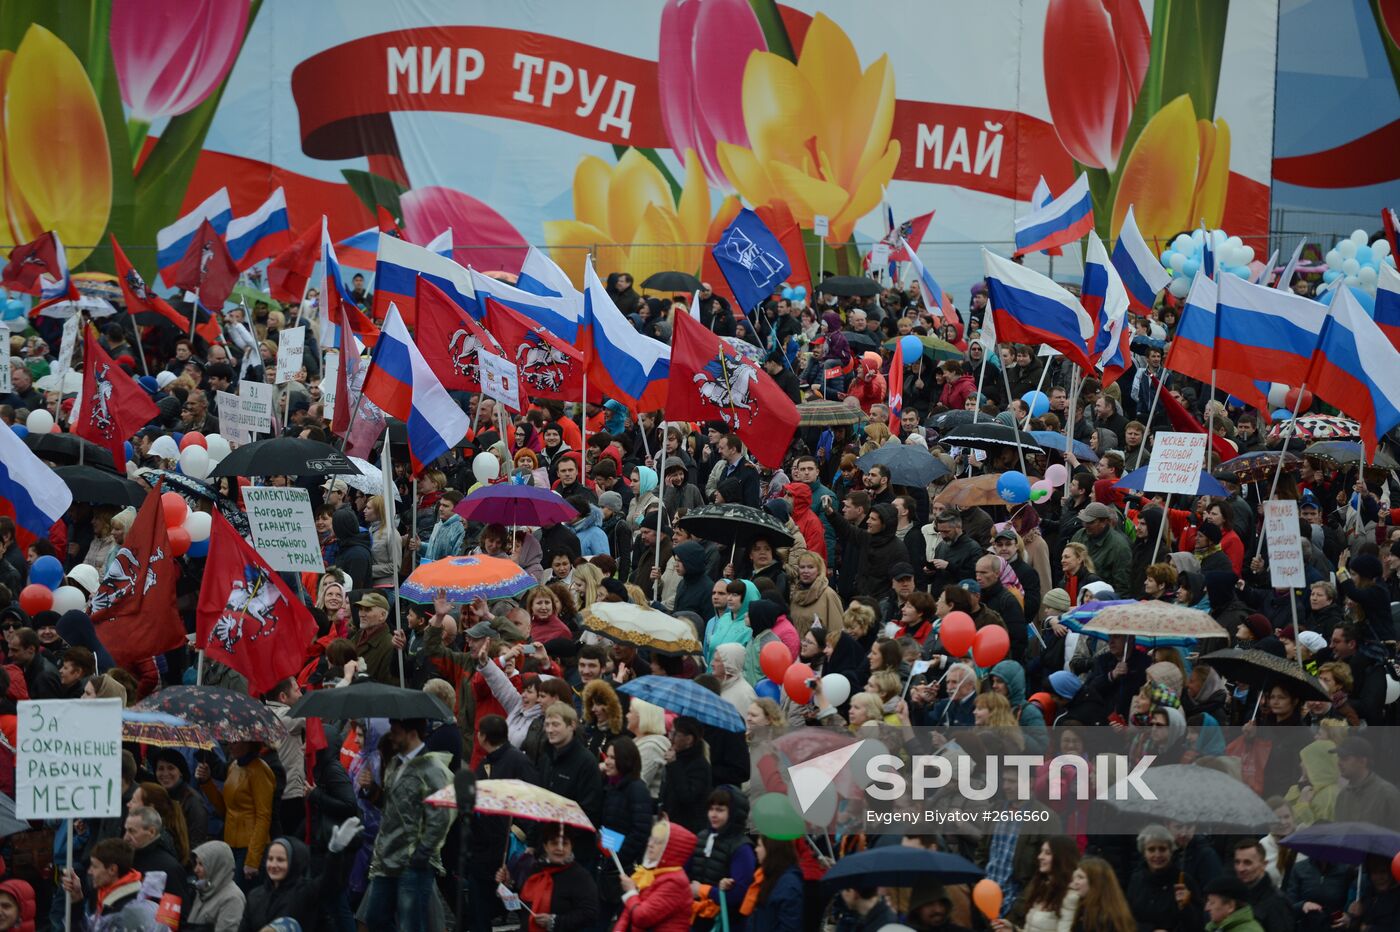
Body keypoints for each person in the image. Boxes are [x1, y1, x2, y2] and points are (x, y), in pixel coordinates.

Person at [363, 718, 455, 929]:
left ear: (412, 733)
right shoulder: (396, 762)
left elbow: (442, 815)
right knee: (375, 918)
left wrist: (422, 852)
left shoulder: (433, 768)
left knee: (410, 924)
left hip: (413, 862)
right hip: (388, 858)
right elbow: (391, 805)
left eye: (396, 732)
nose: (391, 737)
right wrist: (371, 790)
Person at [239, 819, 361, 932]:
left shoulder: (306, 891)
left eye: (280, 860)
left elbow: (330, 883)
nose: (274, 865)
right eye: (270, 859)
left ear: (294, 863)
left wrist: (335, 853)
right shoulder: (255, 896)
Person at [497, 822, 599, 931]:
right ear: (545, 846)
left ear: (571, 846)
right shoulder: (532, 869)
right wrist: (507, 886)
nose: (560, 848)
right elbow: (519, 908)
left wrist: (555, 921)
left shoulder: (580, 876)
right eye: (554, 843)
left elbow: (590, 914)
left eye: (565, 843)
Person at [600, 737, 655, 915]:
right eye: (607, 756)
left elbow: (641, 832)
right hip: (609, 864)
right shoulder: (610, 786)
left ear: (626, 760)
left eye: (613, 758)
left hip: (625, 868)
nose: (607, 761)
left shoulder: (637, 789)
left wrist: (618, 854)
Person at [687, 787, 755, 931]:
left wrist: (703, 890)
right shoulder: (700, 837)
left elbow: (739, 894)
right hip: (695, 917)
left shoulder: (742, 848)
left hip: (726, 922)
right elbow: (686, 874)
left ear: (734, 813)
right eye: (711, 809)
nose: (713, 814)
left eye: (720, 810)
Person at [615, 819, 698, 932]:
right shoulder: (653, 872)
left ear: (671, 848)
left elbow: (642, 917)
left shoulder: (675, 882)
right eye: (651, 839)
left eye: (658, 842)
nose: (650, 844)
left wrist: (630, 891)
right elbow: (628, 912)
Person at [994, 836, 1079, 932]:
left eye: (1047, 853)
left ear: (1061, 858)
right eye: (1041, 852)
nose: (1040, 857)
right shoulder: (1041, 888)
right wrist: (1013, 930)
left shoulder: (1070, 897)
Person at [62, 837, 143, 931]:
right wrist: (77, 900)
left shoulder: (124, 911)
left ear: (112, 869)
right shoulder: (110, 898)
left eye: (95, 866)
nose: (89, 871)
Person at [186, 840, 246, 932]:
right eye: (196, 863)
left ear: (217, 865)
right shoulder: (203, 889)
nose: (196, 870)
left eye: (201, 864)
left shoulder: (233, 898)